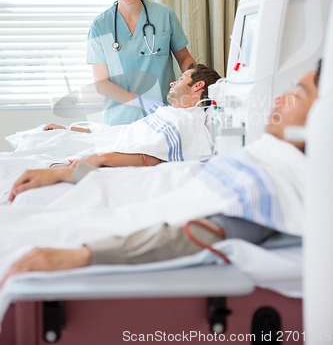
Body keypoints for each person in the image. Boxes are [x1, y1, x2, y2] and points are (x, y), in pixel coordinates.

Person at [0, 64, 320, 280]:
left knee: (19, 232)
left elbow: (193, 233)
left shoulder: (274, 180)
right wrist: (71, 173)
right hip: (128, 196)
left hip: (116, 225)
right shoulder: (267, 156)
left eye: (298, 94)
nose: (279, 98)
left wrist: (83, 256)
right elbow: (160, 176)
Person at [7, 64, 221, 201]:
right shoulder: (170, 114)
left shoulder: (185, 121)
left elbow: (153, 158)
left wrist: (100, 158)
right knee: (40, 137)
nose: (173, 82)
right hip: (98, 142)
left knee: (22, 161)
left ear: (198, 85)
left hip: (104, 153)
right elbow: (124, 133)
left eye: (182, 78)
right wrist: (72, 130)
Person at [87, 0, 195, 126]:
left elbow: (184, 58)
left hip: (163, 115)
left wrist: (195, 83)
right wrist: (140, 101)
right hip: (120, 120)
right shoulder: (100, 26)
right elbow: (101, 84)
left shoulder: (164, 15)